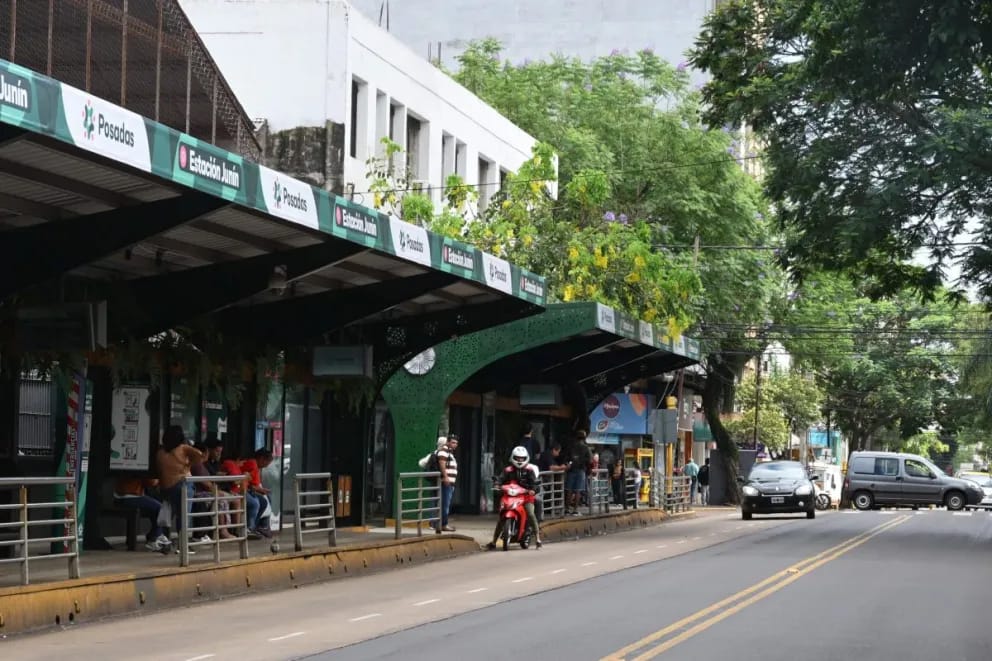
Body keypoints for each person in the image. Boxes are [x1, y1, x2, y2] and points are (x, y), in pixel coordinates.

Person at [156, 425, 205, 553]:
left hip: (166, 487)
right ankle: (183, 545)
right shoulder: (183, 448)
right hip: (182, 483)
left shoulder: (160, 452)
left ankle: (163, 540)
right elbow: (200, 455)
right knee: (184, 516)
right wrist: (188, 464)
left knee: (167, 514)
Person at [486, 446, 542, 550]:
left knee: (530, 513)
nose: (520, 460)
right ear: (513, 457)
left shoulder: (529, 471)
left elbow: (535, 483)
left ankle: (538, 538)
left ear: (526, 458)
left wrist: (533, 490)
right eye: (517, 458)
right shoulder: (508, 470)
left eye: (522, 458)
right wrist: (497, 484)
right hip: (510, 496)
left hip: (525, 497)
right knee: (501, 518)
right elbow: (500, 479)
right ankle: (493, 542)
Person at [113, 475, 168, 551]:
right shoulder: (140, 467)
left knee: (155, 508)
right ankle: (155, 538)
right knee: (161, 508)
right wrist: (158, 479)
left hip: (120, 495)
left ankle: (156, 535)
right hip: (131, 496)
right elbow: (151, 482)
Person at [435, 435, 459, 532]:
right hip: (446, 482)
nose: (455, 445)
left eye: (456, 443)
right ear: (447, 442)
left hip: (450, 482)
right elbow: (442, 464)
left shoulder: (449, 452)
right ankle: (443, 524)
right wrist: (445, 477)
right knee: (445, 504)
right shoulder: (443, 451)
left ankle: (443, 524)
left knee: (446, 504)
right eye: (453, 442)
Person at [565, 431, 592, 515]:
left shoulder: (571, 446)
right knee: (578, 491)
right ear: (584, 438)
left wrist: (570, 463)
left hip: (571, 470)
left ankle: (566, 509)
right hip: (581, 470)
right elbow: (590, 460)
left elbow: (566, 458)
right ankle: (575, 510)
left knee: (569, 490)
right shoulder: (586, 447)